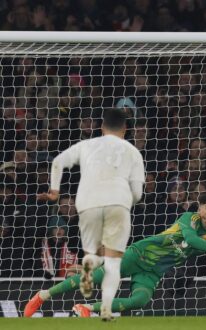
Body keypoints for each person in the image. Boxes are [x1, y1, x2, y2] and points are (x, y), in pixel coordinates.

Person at [24, 193, 206, 318]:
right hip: (140, 253)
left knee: (140, 301)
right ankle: (42, 296)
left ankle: (87, 308)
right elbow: (190, 239)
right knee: (95, 279)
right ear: (200, 208)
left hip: (153, 272)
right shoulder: (190, 218)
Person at [36, 108, 145, 321]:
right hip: (116, 205)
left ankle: (88, 266)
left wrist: (55, 192)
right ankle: (104, 308)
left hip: (88, 204)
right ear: (125, 129)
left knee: (91, 249)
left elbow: (57, 162)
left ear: (102, 127)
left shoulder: (87, 145)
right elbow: (138, 193)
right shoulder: (133, 152)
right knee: (113, 262)